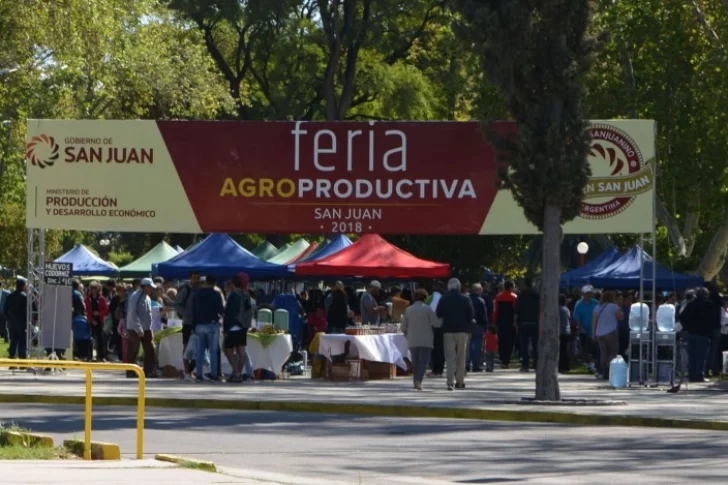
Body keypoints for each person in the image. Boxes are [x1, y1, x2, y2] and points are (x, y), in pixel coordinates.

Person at [437, 278, 474, 391]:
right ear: (458, 286)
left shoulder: (443, 298)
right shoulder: (465, 298)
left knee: (450, 358)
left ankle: (450, 382)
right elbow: (471, 315)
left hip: (448, 330)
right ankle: (460, 381)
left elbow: (439, 313)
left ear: (448, 287)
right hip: (462, 331)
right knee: (461, 357)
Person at [401, 289, 441, 391]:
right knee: (423, 362)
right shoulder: (428, 309)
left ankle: (415, 381)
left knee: (415, 362)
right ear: (425, 298)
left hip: (412, 339)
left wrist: (407, 334)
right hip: (426, 339)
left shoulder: (408, 309)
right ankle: (418, 381)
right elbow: (437, 323)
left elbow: (403, 326)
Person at [192, 275, 224, 382]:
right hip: (212, 324)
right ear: (215, 282)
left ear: (206, 281)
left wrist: (194, 324)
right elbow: (220, 310)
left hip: (199, 324)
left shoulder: (197, 294)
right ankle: (214, 374)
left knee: (200, 350)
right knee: (213, 351)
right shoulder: (216, 294)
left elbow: (194, 310)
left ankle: (199, 374)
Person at [223, 274, 253, 383]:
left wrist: (226, 329)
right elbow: (249, 311)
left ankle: (236, 372)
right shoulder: (246, 295)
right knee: (241, 350)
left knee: (228, 351)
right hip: (243, 326)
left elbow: (229, 313)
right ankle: (237, 373)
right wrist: (246, 325)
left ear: (233, 284)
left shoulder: (233, 295)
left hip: (233, 326)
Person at [125, 278, 156, 378]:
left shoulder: (147, 297)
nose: (152, 289)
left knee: (150, 349)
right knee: (133, 350)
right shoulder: (135, 297)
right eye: (150, 287)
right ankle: (130, 371)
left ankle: (148, 371)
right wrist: (138, 328)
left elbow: (148, 314)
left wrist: (150, 328)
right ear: (145, 286)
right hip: (135, 328)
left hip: (147, 328)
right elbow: (133, 313)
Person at [175, 272, 201, 377]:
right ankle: (187, 372)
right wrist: (186, 313)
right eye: (194, 278)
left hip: (199, 323)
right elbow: (176, 304)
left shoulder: (201, 290)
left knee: (199, 347)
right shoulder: (186, 290)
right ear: (190, 279)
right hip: (187, 323)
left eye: (197, 278)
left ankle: (192, 369)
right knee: (186, 347)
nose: (196, 280)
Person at [593, 291, 624, 380]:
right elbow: (621, 317)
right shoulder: (614, 307)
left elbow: (594, 321)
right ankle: (608, 369)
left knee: (603, 352)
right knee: (613, 352)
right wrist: (620, 307)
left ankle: (602, 371)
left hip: (599, 333)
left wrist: (593, 333)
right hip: (611, 332)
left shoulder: (597, 307)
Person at [516, 278, 540, 372]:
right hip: (535, 322)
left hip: (524, 322)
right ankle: (536, 364)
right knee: (535, 345)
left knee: (524, 345)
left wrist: (515, 322)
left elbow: (517, 310)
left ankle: (525, 365)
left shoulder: (521, 295)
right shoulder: (537, 295)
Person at [493, 281, 518, 368]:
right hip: (511, 323)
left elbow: (495, 311)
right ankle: (507, 360)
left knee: (501, 341)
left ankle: (502, 358)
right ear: (511, 287)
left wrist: (495, 322)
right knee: (510, 342)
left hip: (501, 323)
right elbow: (516, 311)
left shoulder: (498, 297)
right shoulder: (515, 297)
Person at [3, 277, 28, 361]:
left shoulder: (9, 296)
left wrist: (9, 319)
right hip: (22, 323)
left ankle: (12, 360)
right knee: (22, 343)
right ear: (23, 286)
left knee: (13, 342)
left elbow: (4, 310)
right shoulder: (25, 297)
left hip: (12, 323)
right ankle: (22, 362)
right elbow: (29, 310)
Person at [574, 285, 599, 366]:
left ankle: (594, 363)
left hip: (595, 331)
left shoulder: (596, 303)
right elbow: (577, 318)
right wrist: (581, 328)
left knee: (595, 349)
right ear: (583, 294)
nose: (588, 295)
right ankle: (586, 363)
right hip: (584, 331)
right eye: (587, 293)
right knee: (585, 349)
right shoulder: (579, 304)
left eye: (590, 293)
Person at [85, 281, 109, 362]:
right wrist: (92, 320)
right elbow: (87, 312)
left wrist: (99, 313)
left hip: (100, 321)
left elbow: (106, 310)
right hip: (91, 321)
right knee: (90, 339)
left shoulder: (102, 299)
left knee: (101, 339)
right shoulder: (87, 299)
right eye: (92, 288)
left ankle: (101, 356)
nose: (93, 290)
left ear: (98, 289)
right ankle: (89, 356)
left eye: (95, 288)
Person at [427, 282, 445, 378]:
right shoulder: (444, 297)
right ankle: (439, 370)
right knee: (441, 349)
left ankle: (435, 370)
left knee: (435, 349)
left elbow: (430, 311)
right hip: (443, 326)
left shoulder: (432, 297)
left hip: (434, 326)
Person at [468, 283, 488, 372]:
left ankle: (467, 364)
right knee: (477, 346)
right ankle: (476, 365)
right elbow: (484, 315)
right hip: (478, 326)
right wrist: (485, 327)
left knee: (468, 346)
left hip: (468, 325)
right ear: (478, 290)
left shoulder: (467, 299)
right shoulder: (481, 301)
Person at [705, 282, 723, 377]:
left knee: (708, 349)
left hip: (708, 327)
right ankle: (715, 369)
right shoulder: (718, 300)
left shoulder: (707, 301)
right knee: (715, 349)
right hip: (717, 327)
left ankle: (707, 368)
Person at [558, 294, 571, 373]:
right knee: (565, 349)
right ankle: (566, 365)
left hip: (560, 331)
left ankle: (562, 365)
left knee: (561, 350)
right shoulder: (566, 309)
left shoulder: (558, 309)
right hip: (567, 331)